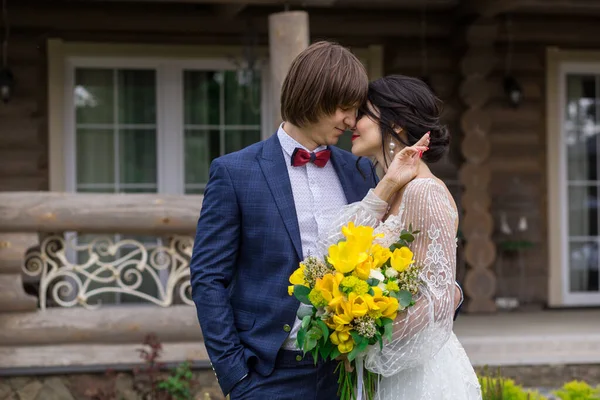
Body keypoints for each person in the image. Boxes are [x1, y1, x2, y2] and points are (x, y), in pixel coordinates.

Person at [190, 41, 460, 400]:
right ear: (313, 97)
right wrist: (234, 376)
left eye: (357, 110)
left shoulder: (363, 171)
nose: (351, 121)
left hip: (351, 374)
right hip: (268, 375)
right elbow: (208, 278)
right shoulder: (235, 172)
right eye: (344, 109)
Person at [320, 74, 482, 399]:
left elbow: (437, 300)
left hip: (420, 375)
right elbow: (334, 246)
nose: (352, 121)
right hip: (390, 369)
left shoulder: (425, 192)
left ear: (395, 124)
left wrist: (365, 339)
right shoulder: (394, 191)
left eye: (363, 113)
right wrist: (387, 185)